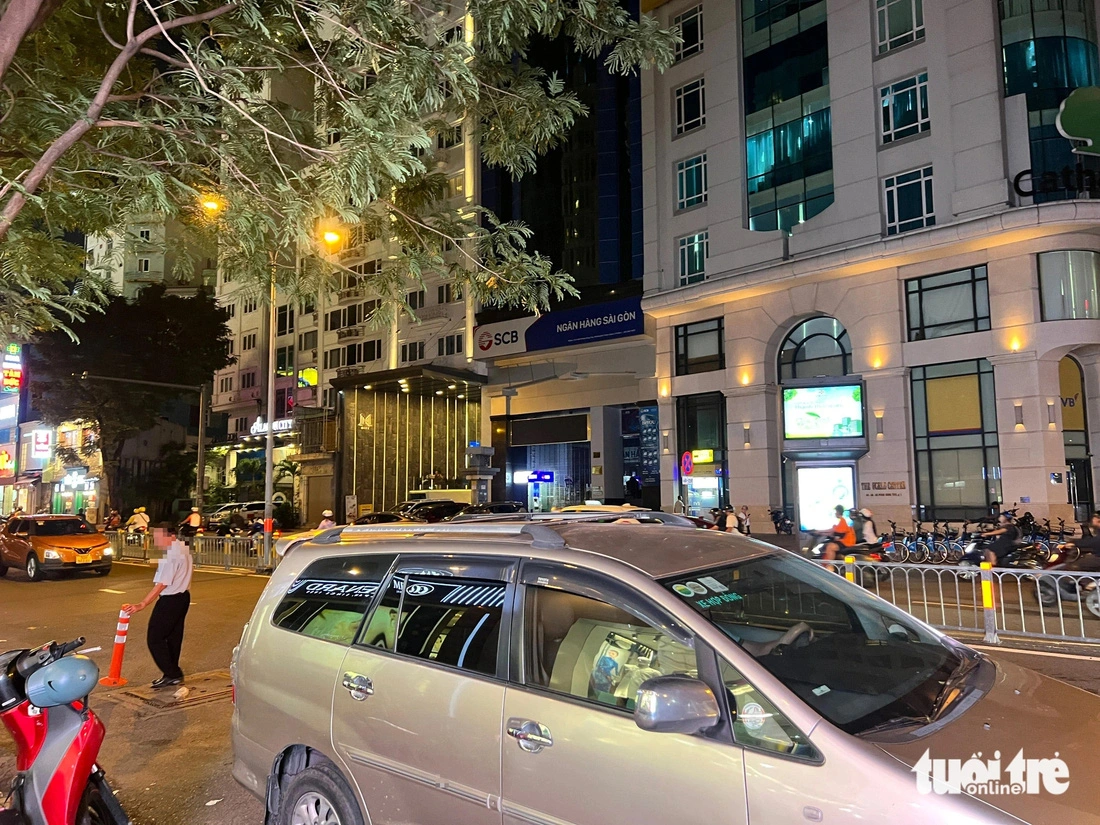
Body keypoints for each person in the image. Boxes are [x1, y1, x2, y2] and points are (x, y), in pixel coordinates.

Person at [122, 538, 193, 689]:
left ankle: (172, 673)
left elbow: (162, 583)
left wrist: (142, 604)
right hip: (183, 596)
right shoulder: (183, 548)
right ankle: (172, 674)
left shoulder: (171, 555)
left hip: (170, 600)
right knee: (174, 637)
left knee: (155, 638)